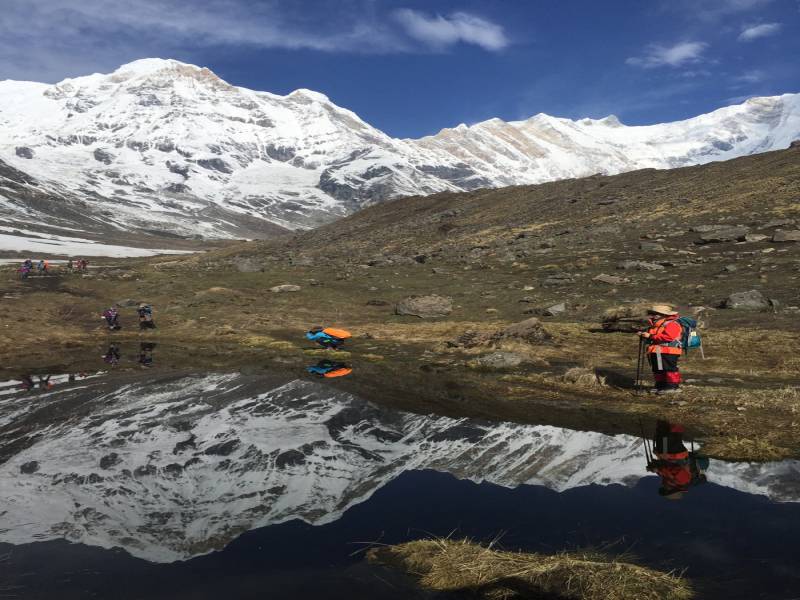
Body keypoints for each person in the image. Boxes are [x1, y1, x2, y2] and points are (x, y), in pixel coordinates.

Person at [647, 420, 708, 499]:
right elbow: (675, 469)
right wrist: (658, 468)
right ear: (673, 489)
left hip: (668, 454)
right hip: (676, 455)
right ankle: (674, 420)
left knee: (662, 439)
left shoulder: (668, 479)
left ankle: (663, 421)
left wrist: (655, 468)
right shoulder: (683, 481)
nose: (663, 486)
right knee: (669, 438)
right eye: (666, 489)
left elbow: (663, 469)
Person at [637, 305, 683, 394]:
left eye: (655, 314)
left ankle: (673, 387)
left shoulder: (672, 324)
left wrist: (650, 336)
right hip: (657, 350)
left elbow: (669, 337)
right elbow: (654, 337)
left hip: (669, 350)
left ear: (663, 314)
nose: (652, 316)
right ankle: (660, 385)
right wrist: (645, 335)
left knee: (669, 368)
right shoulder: (656, 325)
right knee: (658, 369)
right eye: (652, 313)